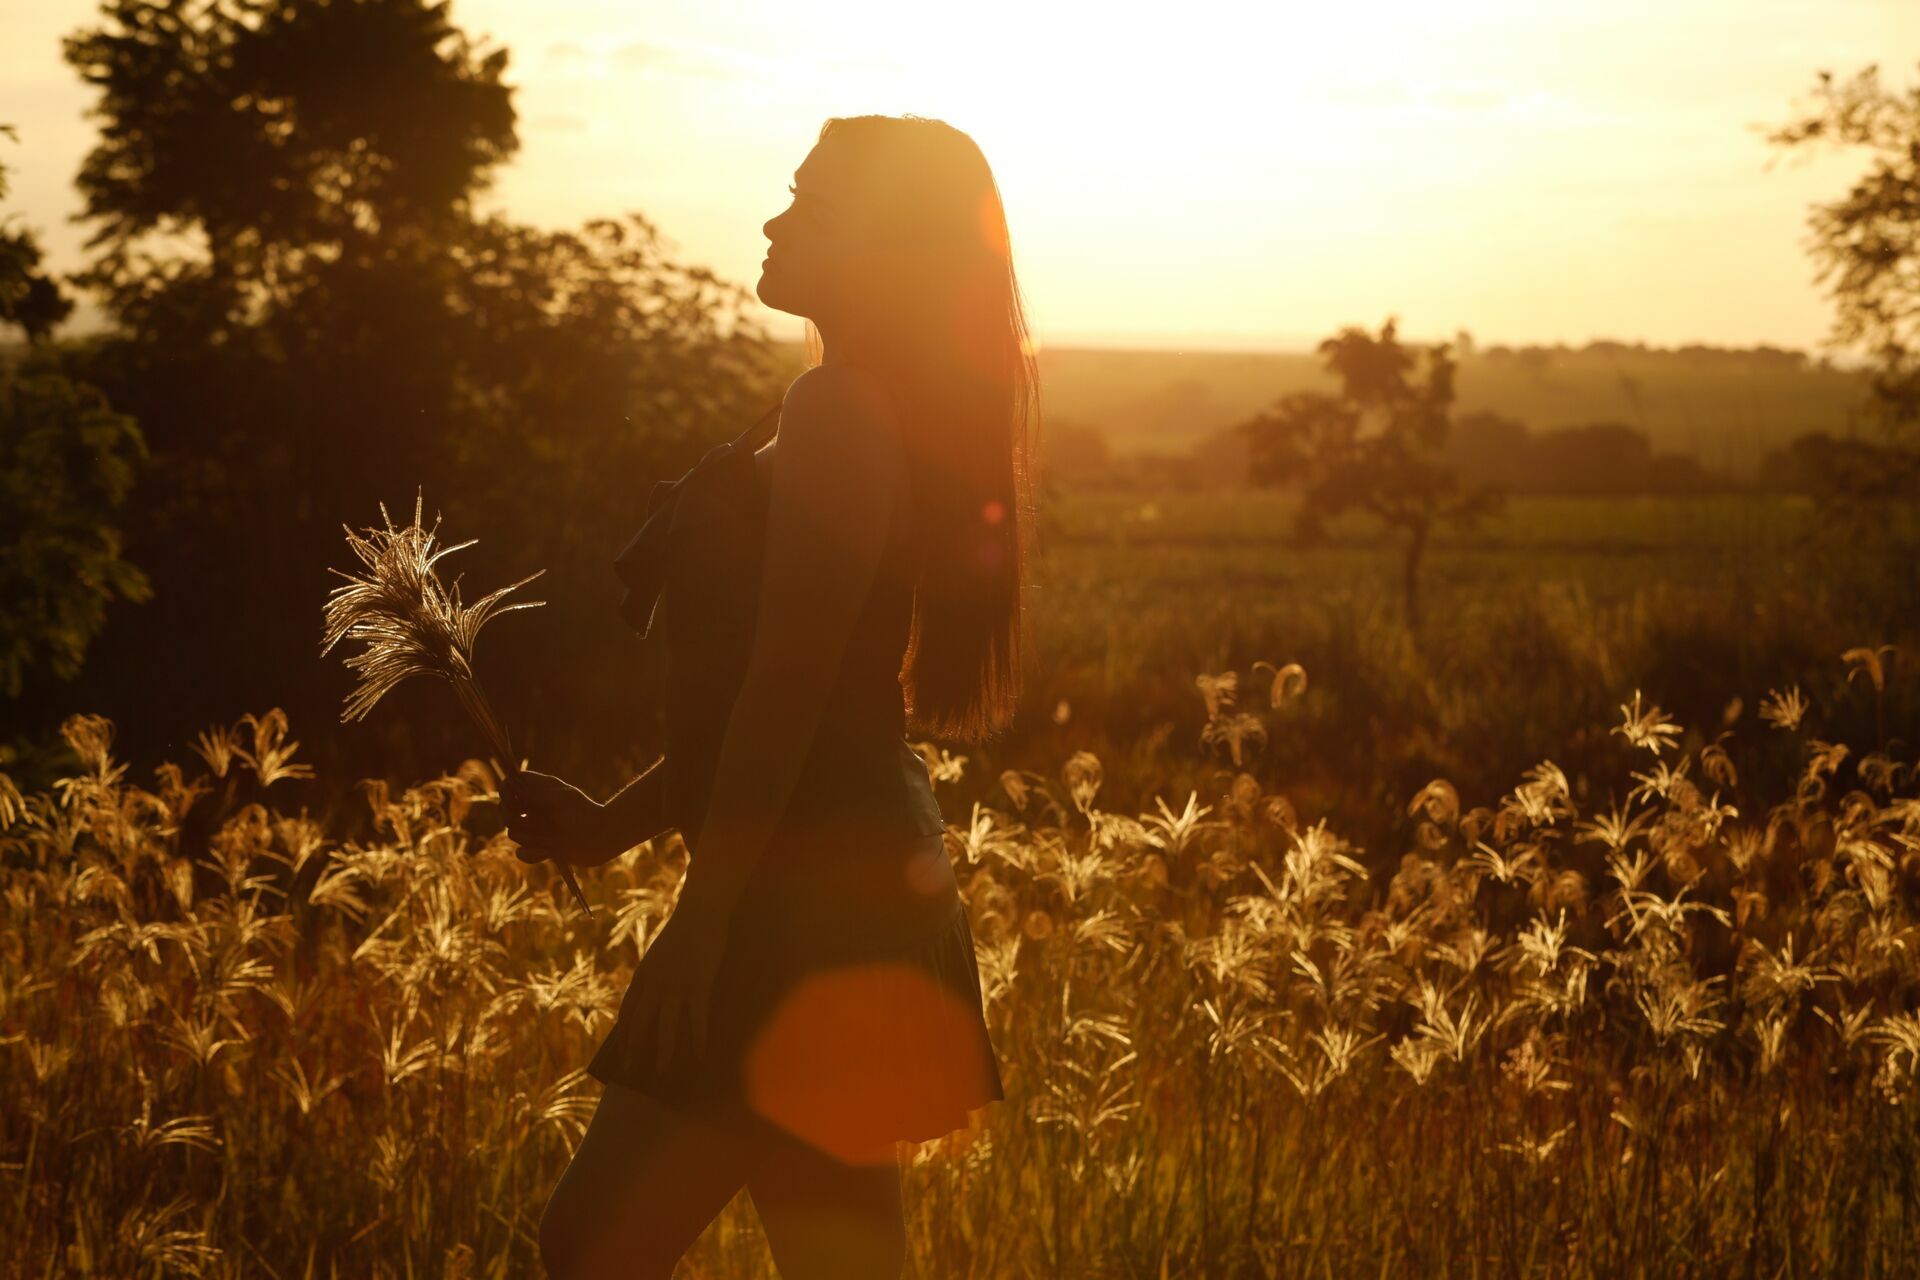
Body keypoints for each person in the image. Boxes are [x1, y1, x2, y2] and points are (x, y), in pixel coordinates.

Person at [499, 113, 1041, 1280]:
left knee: (593, 1244)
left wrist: (703, 925)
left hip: (802, 906)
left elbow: (791, 691)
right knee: (841, 1260)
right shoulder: (839, 401)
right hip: (845, 882)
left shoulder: (841, 409)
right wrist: (613, 818)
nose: (774, 218)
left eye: (809, 202)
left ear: (881, 246)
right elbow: (804, 697)